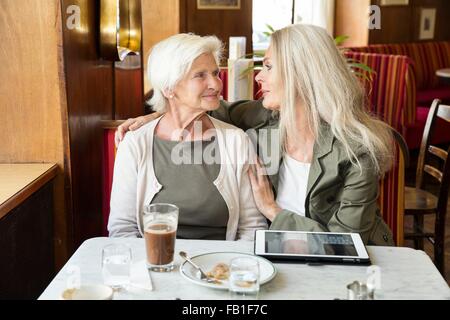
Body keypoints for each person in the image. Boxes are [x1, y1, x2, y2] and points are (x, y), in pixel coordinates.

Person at [115, 24, 395, 245]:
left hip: (350, 271)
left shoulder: (356, 150)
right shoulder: (264, 120)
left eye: (269, 66)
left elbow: (345, 244)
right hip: (281, 255)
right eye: (202, 75)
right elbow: (206, 105)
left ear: (303, 75)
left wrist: (273, 211)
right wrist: (157, 114)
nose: (259, 77)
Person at [108, 33, 268, 240]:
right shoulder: (135, 143)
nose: (216, 84)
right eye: (200, 75)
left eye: (215, 73)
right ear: (169, 88)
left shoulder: (236, 141)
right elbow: (122, 229)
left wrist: (227, 269)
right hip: (155, 264)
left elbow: (252, 228)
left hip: (221, 267)